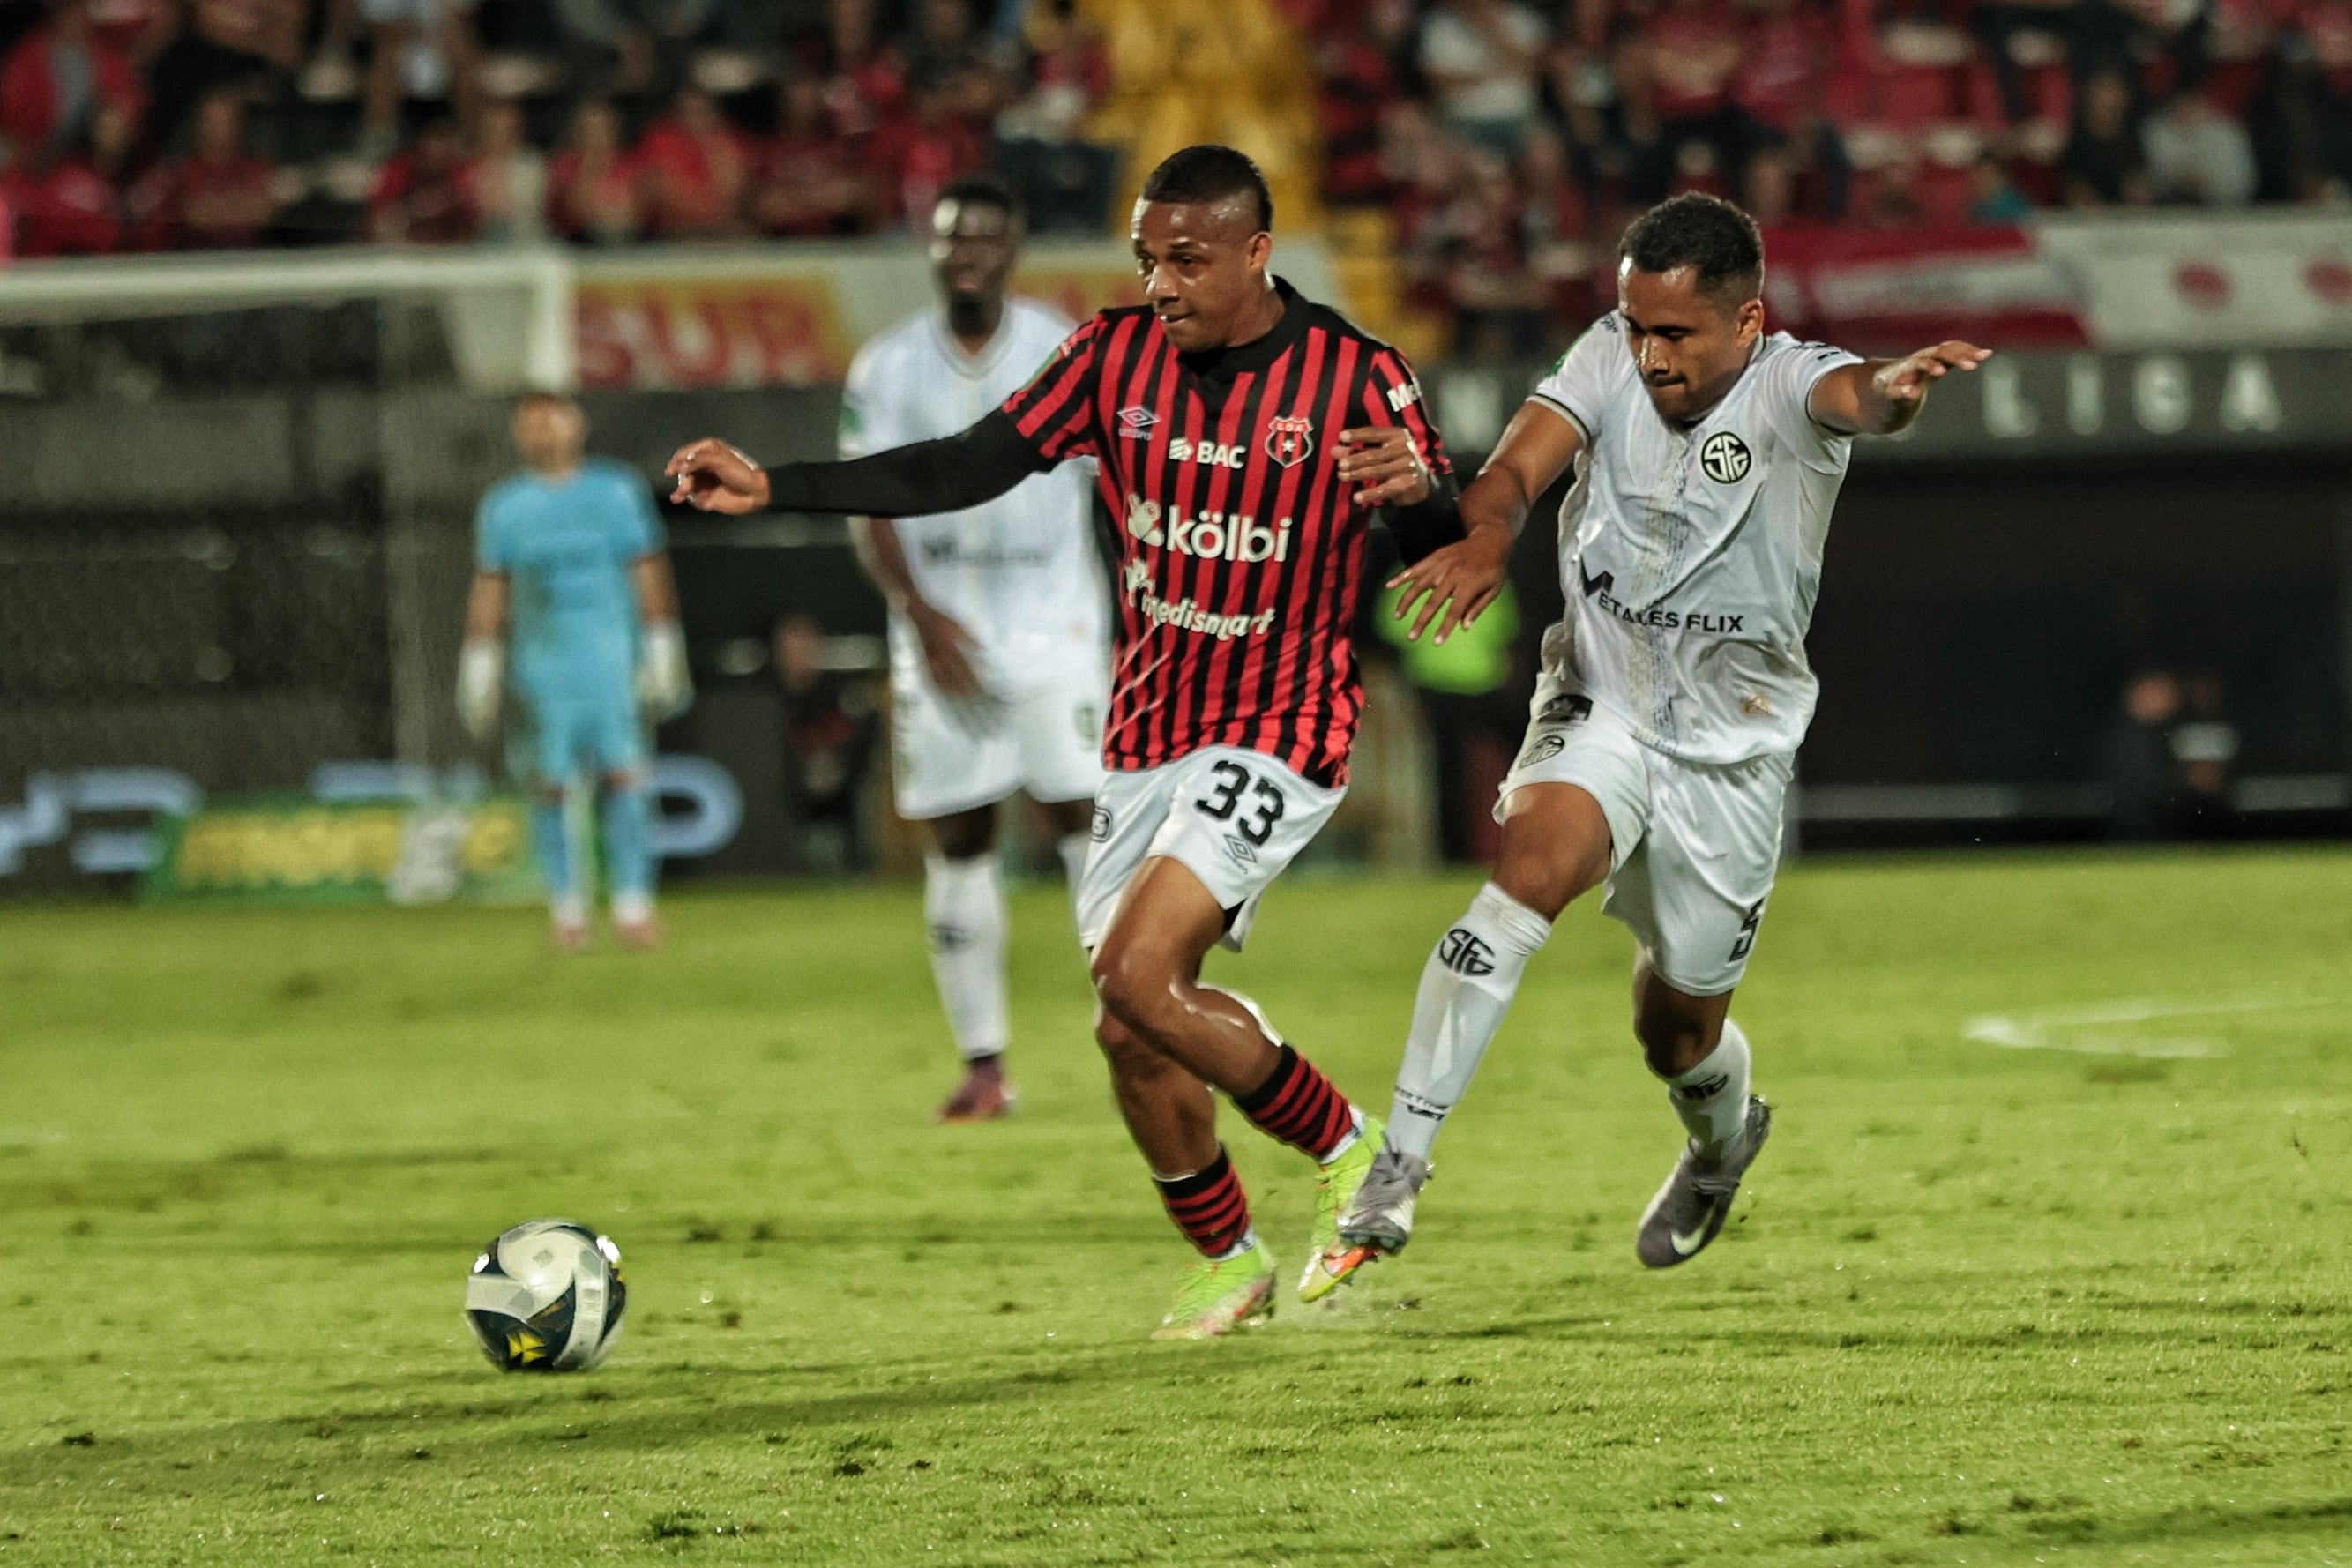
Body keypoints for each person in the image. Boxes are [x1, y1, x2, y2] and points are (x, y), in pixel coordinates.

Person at [666, 145, 1463, 1340]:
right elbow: (963, 465)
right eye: (1146, 260)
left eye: (1186, 260)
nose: (1161, 284)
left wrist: (1421, 497)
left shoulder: (1355, 373)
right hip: (1147, 729)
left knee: (1136, 974)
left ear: (1256, 252)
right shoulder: (1108, 356)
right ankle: (1227, 1258)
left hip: (1282, 721)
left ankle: (1359, 1151)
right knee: (1128, 1025)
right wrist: (775, 485)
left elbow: (1447, 550)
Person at [1321, 192, 1990, 1286]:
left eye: (1675, 331)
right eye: (1637, 324)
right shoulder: (1605, 357)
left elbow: (1860, 397)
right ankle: (1395, 1166)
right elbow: (1512, 474)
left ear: (1747, 319)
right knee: (1524, 880)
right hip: (1603, 699)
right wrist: (1485, 537)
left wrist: (1896, 390)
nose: (1650, 353)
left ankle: (1721, 1142)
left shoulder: (1790, 383)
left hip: (1734, 750)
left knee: (1674, 1032)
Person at [840, 175, 1110, 1124]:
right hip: (943, 633)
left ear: (1013, 249)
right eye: (953, 236)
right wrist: (918, 615)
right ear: (932, 246)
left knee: (1087, 821)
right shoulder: (886, 366)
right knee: (960, 838)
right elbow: (867, 501)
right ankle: (985, 1065)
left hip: (1057, 626)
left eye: (986, 237)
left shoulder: (1062, 351)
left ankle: (1137, 1025)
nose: (968, 253)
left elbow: (1119, 483)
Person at [459, 392, 692, 951]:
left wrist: (662, 644)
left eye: (552, 420)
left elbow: (646, 568)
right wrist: (480, 660)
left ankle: (633, 906)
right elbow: (492, 584)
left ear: (577, 425)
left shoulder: (615, 492)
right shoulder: (505, 506)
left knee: (625, 781)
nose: (542, 433)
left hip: (611, 663)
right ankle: (567, 909)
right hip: (543, 669)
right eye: (531, 424)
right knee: (551, 788)